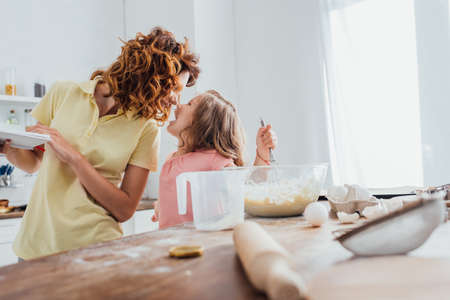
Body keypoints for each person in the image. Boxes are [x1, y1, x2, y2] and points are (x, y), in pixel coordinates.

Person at [0, 27, 199, 260]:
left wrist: (74, 157)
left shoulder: (146, 127)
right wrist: (7, 146)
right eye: (174, 88)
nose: (176, 100)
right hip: (35, 246)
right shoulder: (63, 93)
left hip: (93, 250)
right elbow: (33, 163)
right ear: (149, 72)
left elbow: (125, 209)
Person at [151, 90, 277, 229]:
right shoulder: (171, 158)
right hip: (170, 242)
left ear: (203, 121)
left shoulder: (214, 159)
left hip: (200, 241)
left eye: (189, 104)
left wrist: (262, 153)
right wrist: (162, 204)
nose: (179, 105)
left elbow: (249, 187)